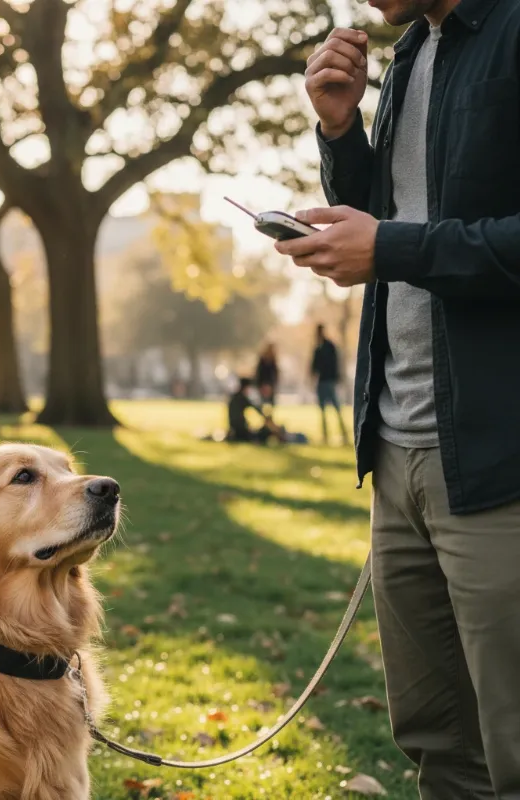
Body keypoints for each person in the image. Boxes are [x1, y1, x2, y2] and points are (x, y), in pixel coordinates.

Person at [274, 0, 520, 794]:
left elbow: (410, 241)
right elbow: (397, 219)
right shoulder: (411, 52)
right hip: (396, 443)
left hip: (498, 456)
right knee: (438, 745)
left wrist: (391, 245)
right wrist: (343, 134)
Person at [310, 324, 349, 445]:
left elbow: (335, 363)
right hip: (322, 382)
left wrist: (337, 377)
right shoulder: (318, 348)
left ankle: (344, 435)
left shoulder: (329, 346)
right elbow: (314, 366)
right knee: (323, 410)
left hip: (329, 381)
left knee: (336, 408)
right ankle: (326, 436)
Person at [227, 377, 285, 443]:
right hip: (240, 429)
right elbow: (256, 409)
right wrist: (267, 418)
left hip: (234, 427)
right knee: (263, 433)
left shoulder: (235, 397)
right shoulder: (241, 398)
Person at [254, 342, 279, 409]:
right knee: (264, 401)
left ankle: (268, 415)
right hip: (265, 383)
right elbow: (260, 373)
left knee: (268, 401)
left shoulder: (272, 360)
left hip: (268, 384)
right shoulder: (264, 360)